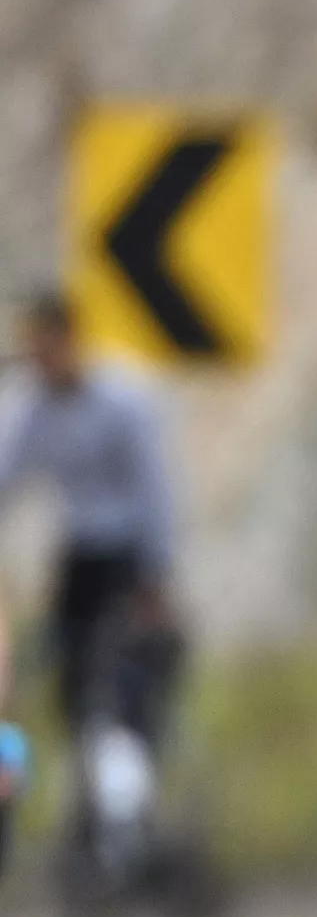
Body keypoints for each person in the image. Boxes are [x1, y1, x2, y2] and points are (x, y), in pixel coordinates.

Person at [0, 290, 187, 824]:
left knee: (132, 677)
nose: (41, 363)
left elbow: (155, 490)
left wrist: (156, 573)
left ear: (70, 340)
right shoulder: (30, 407)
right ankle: (86, 795)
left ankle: (137, 796)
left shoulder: (123, 401)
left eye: (46, 349)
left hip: (128, 555)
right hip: (80, 552)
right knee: (71, 675)